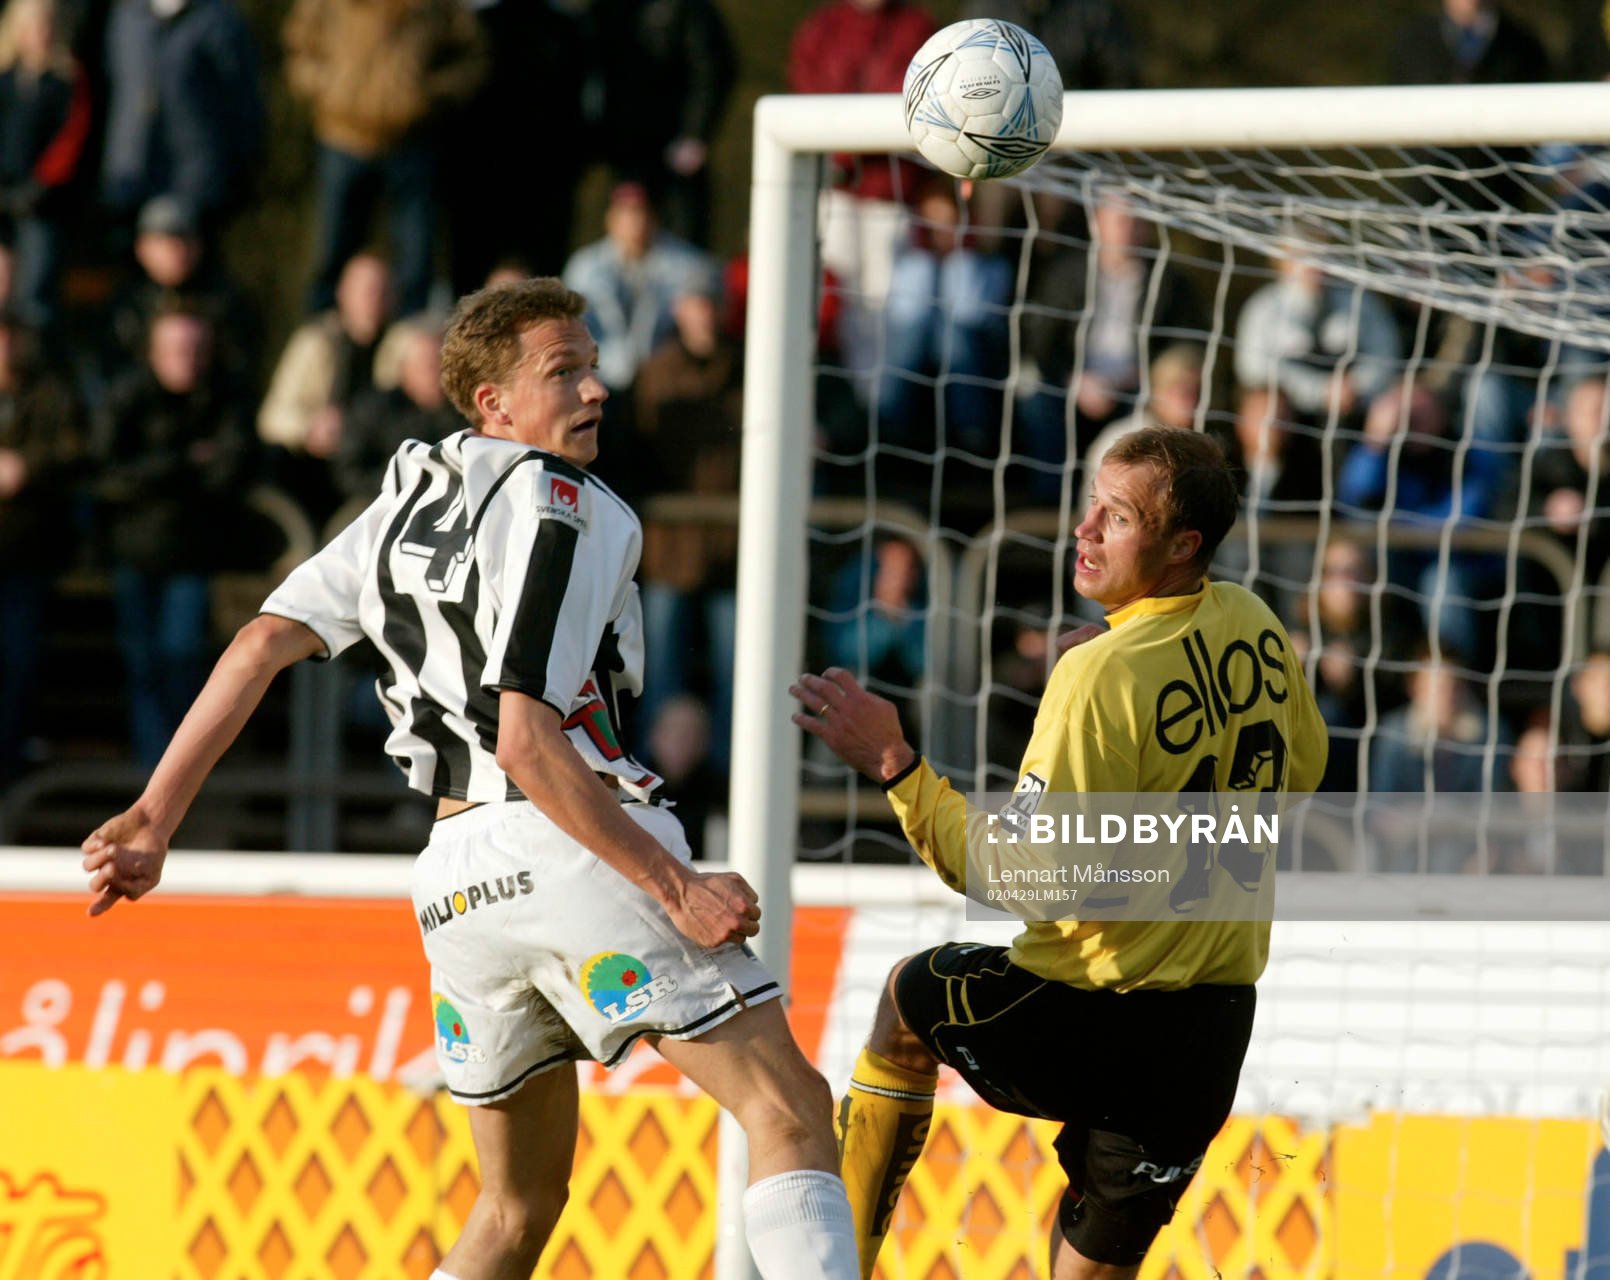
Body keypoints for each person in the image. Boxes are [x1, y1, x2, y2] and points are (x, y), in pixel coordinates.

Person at [79, 278, 858, 1280]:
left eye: (592, 366)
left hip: (455, 884)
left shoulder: (401, 502)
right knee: (789, 1112)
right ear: (494, 403)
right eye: (562, 372)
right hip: (569, 843)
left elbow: (261, 640)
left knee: (513, 1207)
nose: (595, 389)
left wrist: (154, 814)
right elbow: (526, 737)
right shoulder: (567, 500)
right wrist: (677, 886)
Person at [789, 426, 1328, 1280]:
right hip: (1208, 1034)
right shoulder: (1254, 621)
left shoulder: (1099, 676)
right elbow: (1301, 771)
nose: (1084, 531)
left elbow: (1031, 880)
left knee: (907, 1000)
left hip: (1089, 1012)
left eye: (1118, 517)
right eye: (1091, 507)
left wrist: (896, 766)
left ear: (1182, 545)